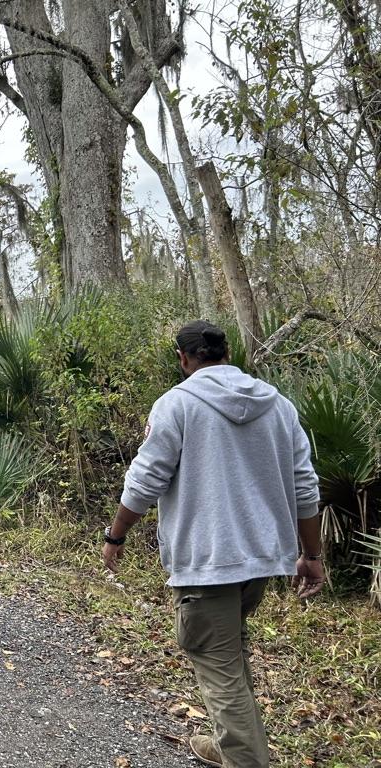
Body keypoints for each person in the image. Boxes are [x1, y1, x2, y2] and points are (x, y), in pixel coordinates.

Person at [101, 320, 322, 768]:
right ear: (226, 352)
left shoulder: (177, 405)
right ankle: (227, 745)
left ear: (183, 358)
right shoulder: (277, 405)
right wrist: (312, 555)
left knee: (218, 665)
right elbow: (305, 485)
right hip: (261, 562)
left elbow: (144, 481)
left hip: (207, 562)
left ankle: (245, 759)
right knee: (230, 652)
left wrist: (115, 535)